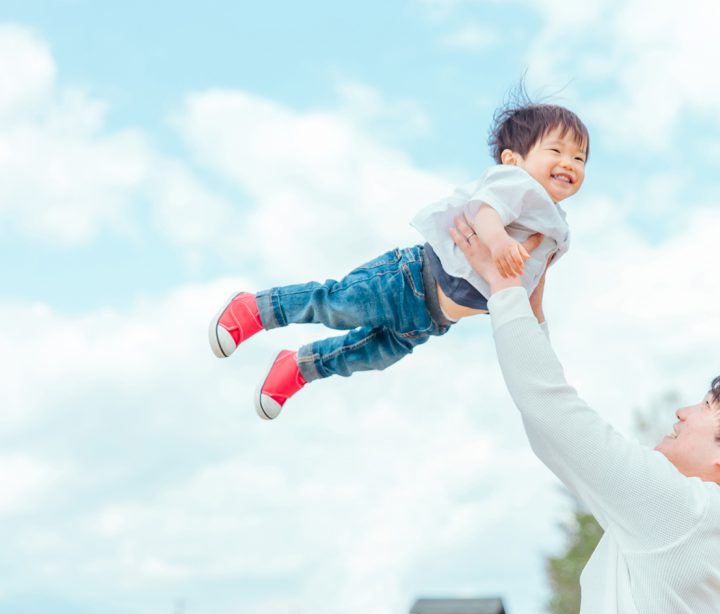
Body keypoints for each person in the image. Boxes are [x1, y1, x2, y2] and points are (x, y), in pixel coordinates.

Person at [447, 216, 720, 614]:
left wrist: (504, 288)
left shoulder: (687, 512)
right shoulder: (689, 522)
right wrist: (529, 316)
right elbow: (553, 435)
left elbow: (554, 415)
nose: (682, 413)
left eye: (707, 405)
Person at [208, 102, 589, 419]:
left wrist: (539, 338)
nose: (569, 163)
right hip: (409, 279)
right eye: (556, 151)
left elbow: (533, 287)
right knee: (338, 305)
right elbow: (485, 210)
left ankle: (297, 367)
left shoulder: (557, 229)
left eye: (579, 157)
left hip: (434, 319)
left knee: (366, 355)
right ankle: (255, 309)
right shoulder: (515, 184)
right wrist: (500, 240)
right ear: (513, 160)